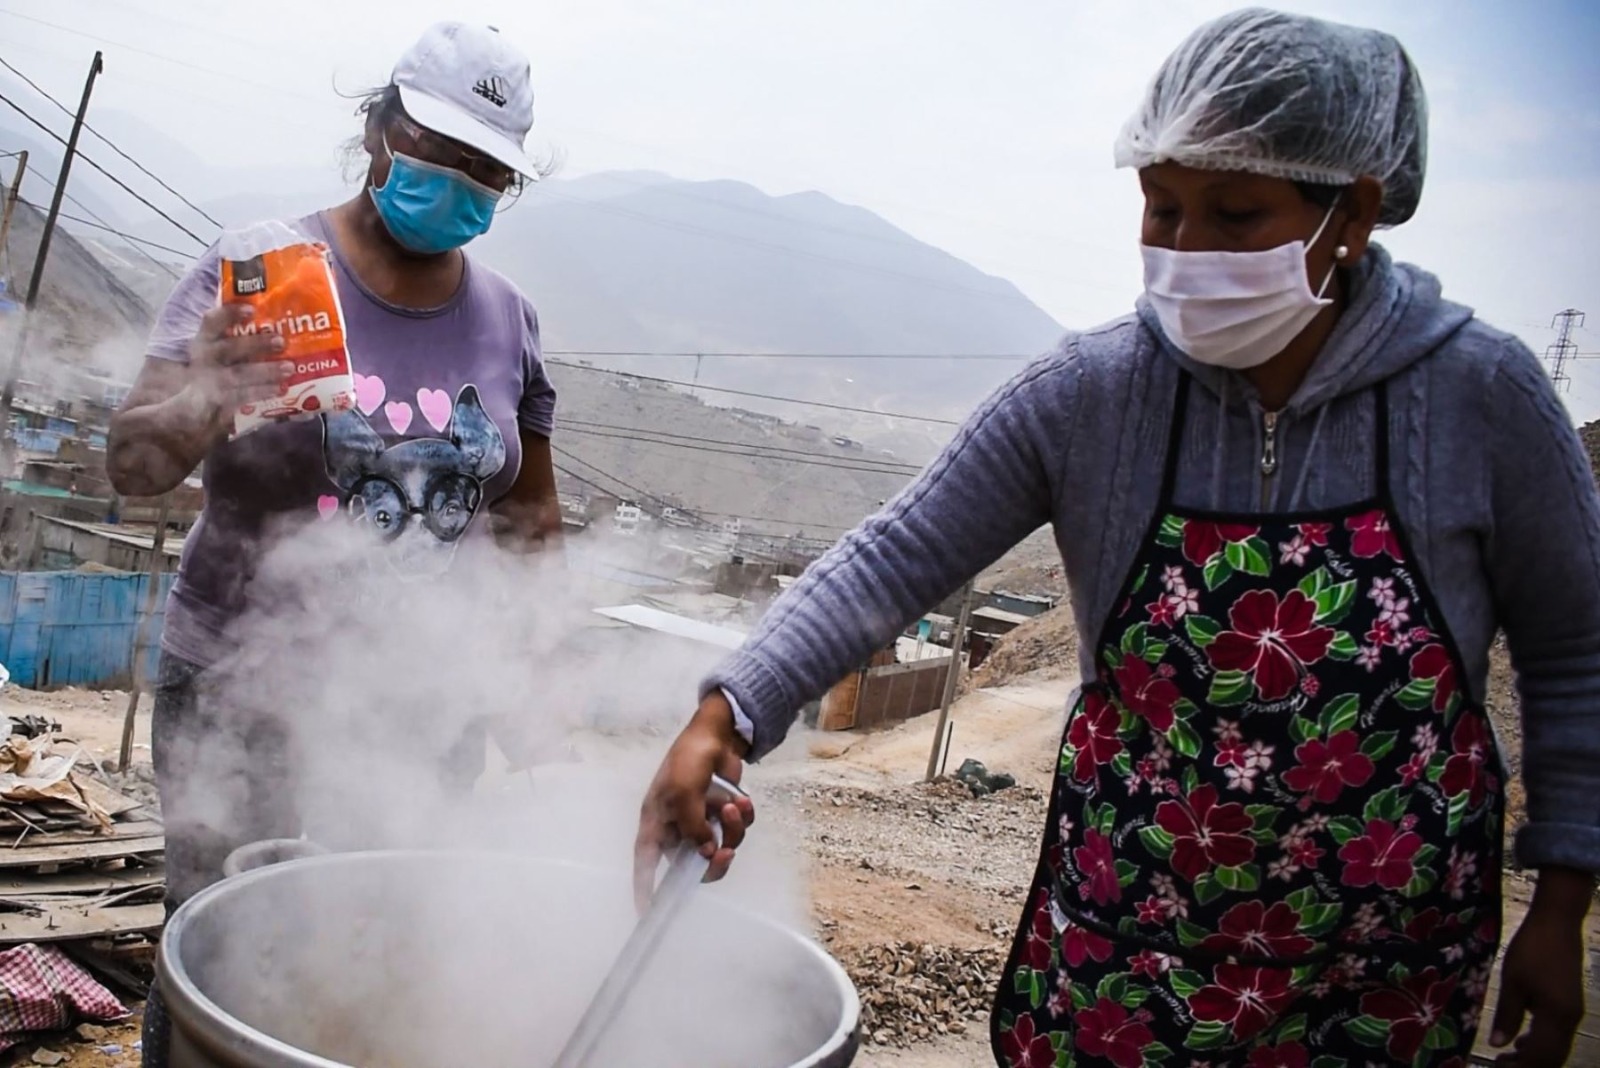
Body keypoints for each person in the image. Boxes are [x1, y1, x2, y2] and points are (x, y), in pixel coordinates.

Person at [635, 9, 1599, 1067]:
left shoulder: (1480, 399)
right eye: (1159, 208)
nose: (1184, 253)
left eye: (1233, 215)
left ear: (1352, 213)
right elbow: (895, 553)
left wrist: (1560, 899)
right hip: (1127, 964)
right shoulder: (1091, 397)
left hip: (1376, 979)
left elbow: (1574, 656)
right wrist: (729, 713)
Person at [106, 22, 559, 1066]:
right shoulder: (260, 270)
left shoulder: (510, 321)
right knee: (217, 955)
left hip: (421, 711)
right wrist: (209, 396)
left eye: (489, 171)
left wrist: (535, 692)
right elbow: (131, 466)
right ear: (380, 130)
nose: (462, 184)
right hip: (238, 690)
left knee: (379, 960)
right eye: (442, 153)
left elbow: (527, 526)